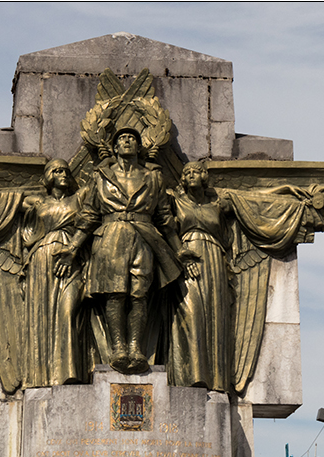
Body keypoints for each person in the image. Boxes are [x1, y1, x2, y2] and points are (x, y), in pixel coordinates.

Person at [54, 129, 187, 374]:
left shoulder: (153, 177)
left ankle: (136, 347)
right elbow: (89, 214)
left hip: (144, 236)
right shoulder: (101, 176)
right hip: (110, 236)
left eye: (132, 138)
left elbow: (165, 217)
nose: (127, 141)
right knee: (114, 293)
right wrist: (72, 248)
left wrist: (179, 250)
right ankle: (118, 348)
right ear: (115, 148)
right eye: (122, 139)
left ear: (139, 147)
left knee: (139, 294)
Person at [20, 159, 86, 386]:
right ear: (49, 177)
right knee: (42, 313)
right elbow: (2, 199)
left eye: (66, 171)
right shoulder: (38, 202)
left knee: (68, 311)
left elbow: (101, 179)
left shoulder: (78, 199)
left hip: (70, 257)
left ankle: (69, 372)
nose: (63, 174)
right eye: (57, 171)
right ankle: (43, 374)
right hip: (41, 259)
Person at [167, 161, 231, 391]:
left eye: (196, 171)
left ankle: (217, 379)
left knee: (215, 314)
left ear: (204, 176)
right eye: (187, 172)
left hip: (213, 257)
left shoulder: (217, 205)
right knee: (191, 311)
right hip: (187, 256)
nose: (191, 175)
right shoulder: (175, 201)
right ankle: (192, 375)